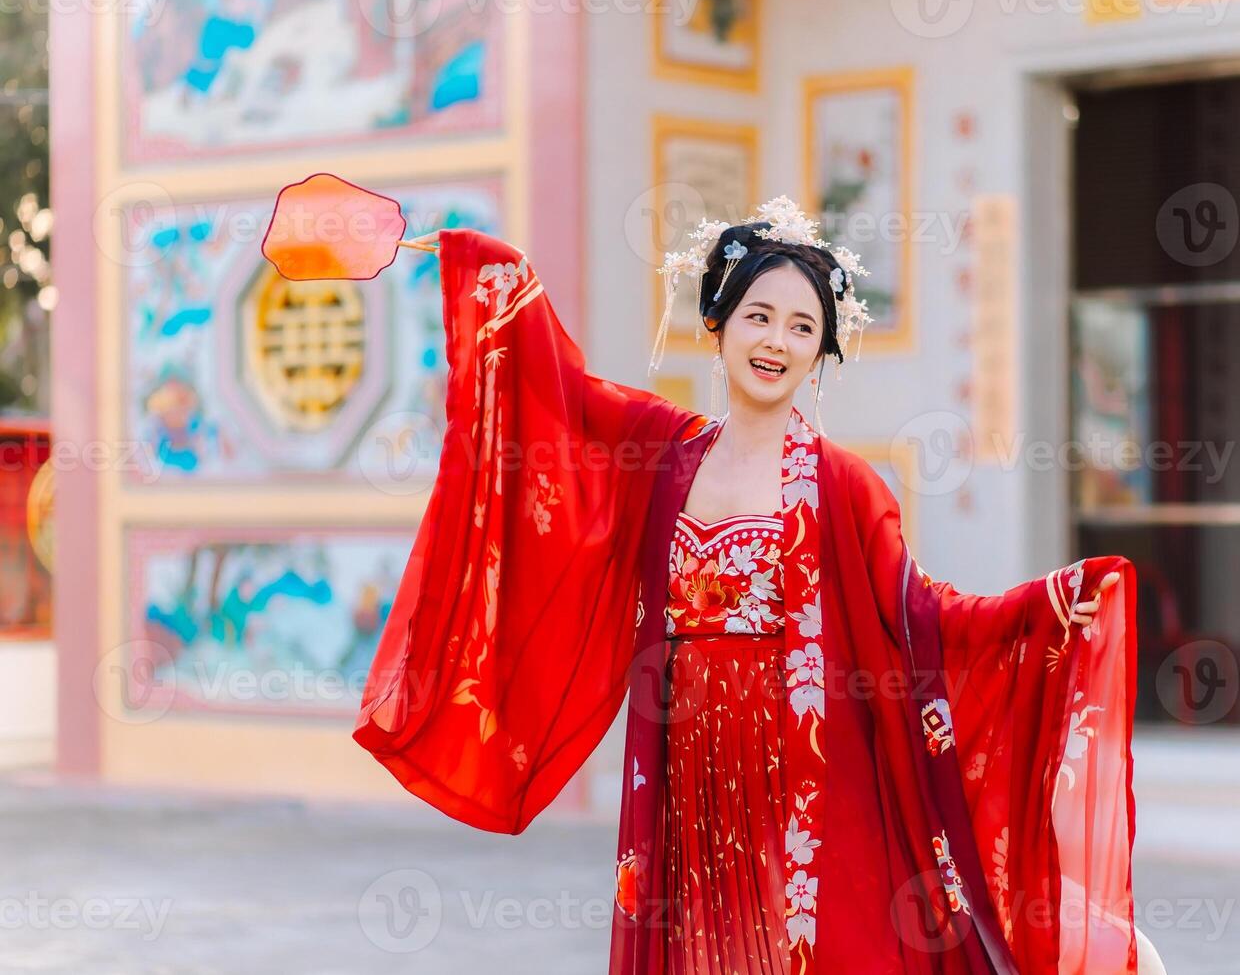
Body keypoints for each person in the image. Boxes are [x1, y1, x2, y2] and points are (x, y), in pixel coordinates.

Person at [352, 197, 1146, 974]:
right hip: (684, 780)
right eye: (759, 316)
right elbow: (560, 394)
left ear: (822, 352)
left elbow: (920, 613)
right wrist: (490, 270)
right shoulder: (663, 453)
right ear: (718, 324)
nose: (777, 341)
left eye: (803, 327)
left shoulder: (842, 485)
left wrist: (1039, 609)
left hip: (803, 787)